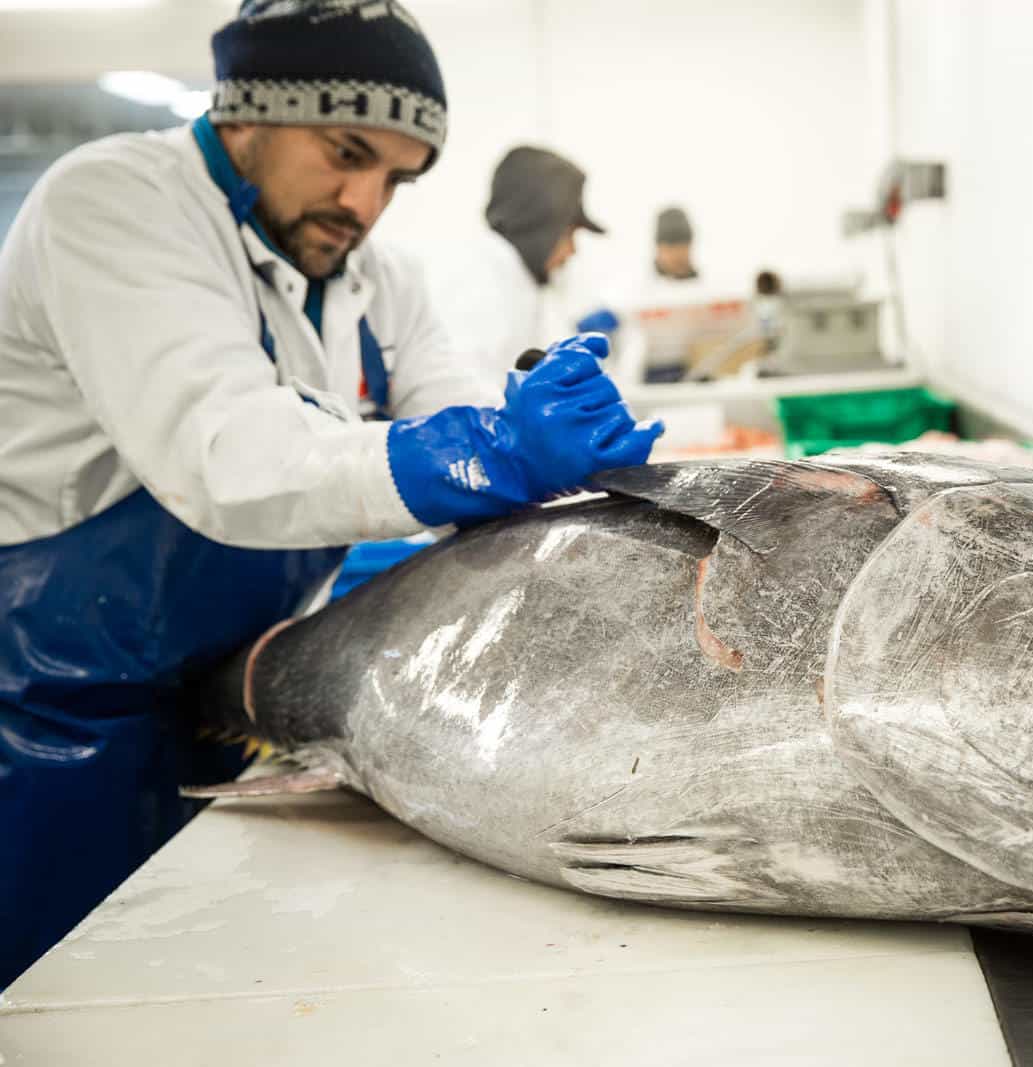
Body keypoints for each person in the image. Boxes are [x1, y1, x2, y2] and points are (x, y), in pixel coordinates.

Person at [0, 0, 660, 987]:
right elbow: (224, 449)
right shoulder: (114, 205)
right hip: (57, 701)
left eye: (396, 176)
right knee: (72, 996)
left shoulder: (372, 275)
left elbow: (451, 400)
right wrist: (481, 455)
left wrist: (532, 428)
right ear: (248, 112)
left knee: (212, 992)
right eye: (345, 152)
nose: (364, 200)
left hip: (239, 681)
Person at [432, 146, 612, 380]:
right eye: (567, 233)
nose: (572, 251)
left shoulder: (518, 282)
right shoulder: (478, 287)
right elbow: (462, 396)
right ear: (539, 226)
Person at [652, 205, 698, 280]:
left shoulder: (708, 286)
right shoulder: (641, 287)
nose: (678, 254)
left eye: (684, 246)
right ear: (659, 249)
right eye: (671, 247)